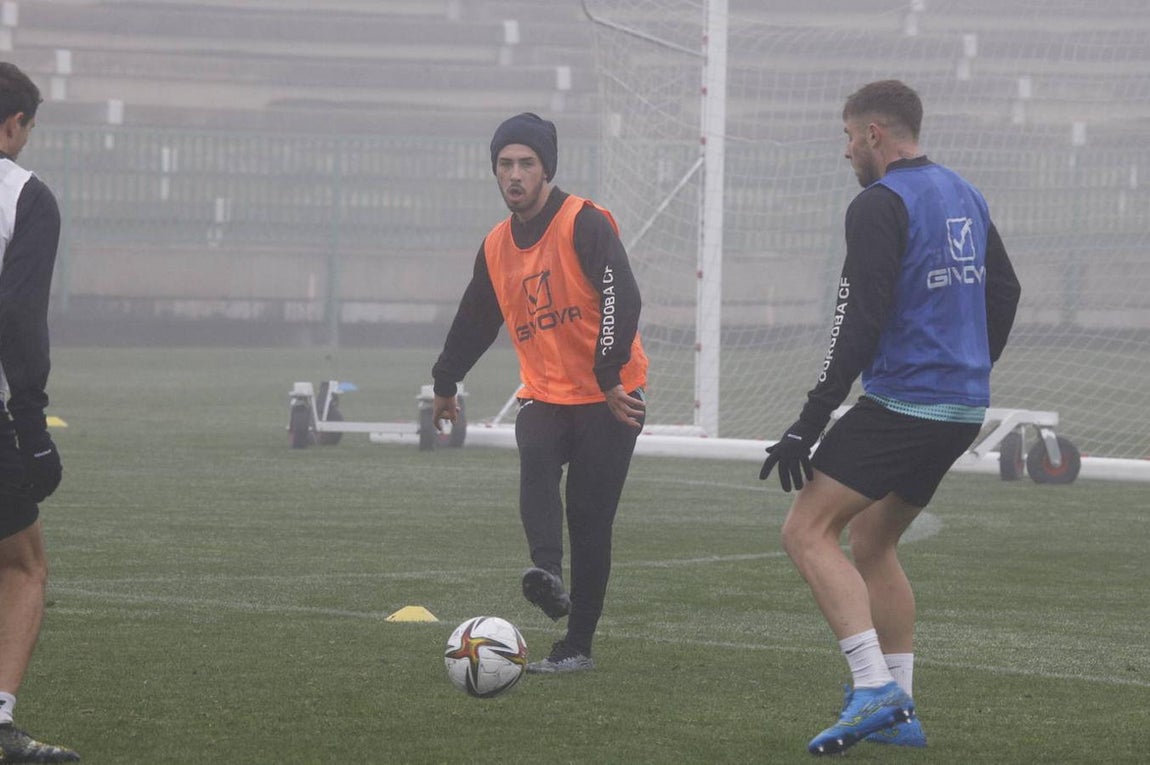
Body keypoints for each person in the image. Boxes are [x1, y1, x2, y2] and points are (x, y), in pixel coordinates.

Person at [759, 80, 1021, 756]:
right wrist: (971, 362)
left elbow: (857, 322)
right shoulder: (965, 191)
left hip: (906, 400)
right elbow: (1007, 288)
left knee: (806, 528)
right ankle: (900, 710)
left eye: (848, 137)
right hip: (962, 406)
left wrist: (807, 421)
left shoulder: (879, 204)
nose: (846, 152)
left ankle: (872, 685)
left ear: (875, 134)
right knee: (873, 540)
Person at [431, 112, 648, 674]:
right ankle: (546, 575)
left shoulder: (585, 221)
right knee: (535, 457)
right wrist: (445, 382)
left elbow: (622, 296)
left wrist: (608, 375)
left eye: (526, 163)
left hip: (612, 394)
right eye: (505, 164)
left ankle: (576, 645)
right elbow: (476, 318)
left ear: (546, 168)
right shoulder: (497, 245)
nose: (515, 175)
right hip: (546, 393)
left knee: (590, 518)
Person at [0, 63, 79, 762]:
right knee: (23, 563)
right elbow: (19, 317)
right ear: (14, 126)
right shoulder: (25, 196)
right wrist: (32, 428)